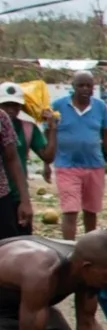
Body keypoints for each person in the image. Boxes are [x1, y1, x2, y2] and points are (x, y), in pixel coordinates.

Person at [51, 71, 107, 240]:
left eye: (88, 85)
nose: (84, 89)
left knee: (91, 210)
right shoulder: (58, 106)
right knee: (70, 210)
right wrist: (46, 163)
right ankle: (68, 249)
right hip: (66, 165)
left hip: (94, 165)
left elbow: (106, 134)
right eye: (80, 85)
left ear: (93, 88)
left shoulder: (100, 107)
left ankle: (90, 248)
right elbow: (49, 133)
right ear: (73, 87)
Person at [0, 83, 57, 236]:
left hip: (12, 194)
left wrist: (51, 129)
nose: (11, 109)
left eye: (16, 105)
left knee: (16, 242)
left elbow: (47, 156)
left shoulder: (25, 128)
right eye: (7, 105)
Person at [0, 99, 33, 240]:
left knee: (6, 249)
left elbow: (12, 158)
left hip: (1, 197)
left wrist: (24, 200)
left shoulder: (1, 118)